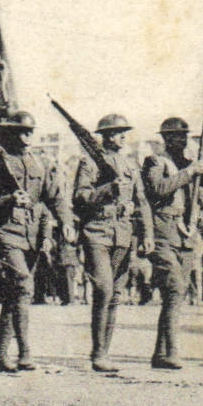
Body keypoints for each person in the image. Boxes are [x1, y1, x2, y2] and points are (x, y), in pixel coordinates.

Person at [0, 110, 71, 373]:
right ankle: (25, 352)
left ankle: (0, 356)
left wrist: (65, 221)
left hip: (30, 235)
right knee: (23, 286)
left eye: (31, 131)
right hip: (4, 231)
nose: (29, 136)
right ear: (8, 132)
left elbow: (55, 196)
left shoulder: (38, 163)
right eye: (23, 131)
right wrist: (7, 200)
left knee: (13, 296)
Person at [72, 113, 152, 373]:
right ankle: (97, 353)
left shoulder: (130, 165)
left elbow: (142, 202)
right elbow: (81, 197)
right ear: (105, 136)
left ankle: (104, 353)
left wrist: (147, 234)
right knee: (103, 289)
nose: (122, 137)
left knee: (115, 295)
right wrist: (108, 191)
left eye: (124, 132)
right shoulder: (90, 162)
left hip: (123, 234)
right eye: (117, 132)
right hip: (98, 231)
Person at [142, 116, 203, 370]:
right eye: (175, 135)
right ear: (165, 139)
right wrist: (189, 173)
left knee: (177, 293)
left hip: (186, 234)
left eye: (184, 135)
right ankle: (171, 351)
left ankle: (160, 353)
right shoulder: (155, 161)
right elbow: (158, 189)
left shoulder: (190, 165)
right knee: (173, 288)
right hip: (163, 231)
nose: (181, 139)